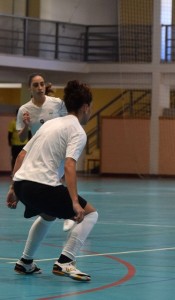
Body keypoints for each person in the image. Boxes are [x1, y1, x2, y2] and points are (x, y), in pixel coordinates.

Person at [6, 80, 98, 281]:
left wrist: (13, 187)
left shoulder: (50, 124)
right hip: (41, 187)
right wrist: (74, 201)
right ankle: (66, 261)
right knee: (91, 214)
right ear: (85, 107)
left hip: (22, 185)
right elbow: (69, 165)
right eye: (90, 107)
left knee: (48, 215)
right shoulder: (77, 131)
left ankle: (25, 262)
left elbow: (21, 155)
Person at [16, 73, 76, 232]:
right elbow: (21, 138)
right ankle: (58, 211)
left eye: (42, 84)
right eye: (35, 85)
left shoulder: (57, 104)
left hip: (59, 149)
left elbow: (69, 121)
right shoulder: (24, 109)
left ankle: (70, 213)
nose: (40, 87)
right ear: (30, 88)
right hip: (39, 152)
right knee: (47, 184)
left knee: (59, 180)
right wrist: (26, 126)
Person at [8, 108, 31, 174]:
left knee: (24, 159)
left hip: (25, 144)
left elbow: (29, 134)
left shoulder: (26, 123)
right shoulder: (12, 122)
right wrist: (9, 142)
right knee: (14, 158)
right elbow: (10, 134)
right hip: (15, 144)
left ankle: (23, 173)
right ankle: (13, 173)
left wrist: (29, 143)